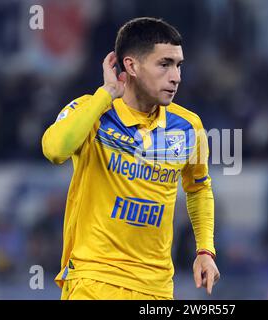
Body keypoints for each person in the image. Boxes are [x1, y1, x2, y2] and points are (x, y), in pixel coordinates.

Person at [41, 17, 220, 300]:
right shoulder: (92, 111)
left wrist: (205, 250)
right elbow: (54, 151)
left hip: (156, 288)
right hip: (94, 281)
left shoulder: (188, 125)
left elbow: (198, 188)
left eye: (178, 65)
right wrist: (106, 95)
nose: (176, 77)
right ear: (131, 65)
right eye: (164, 64)